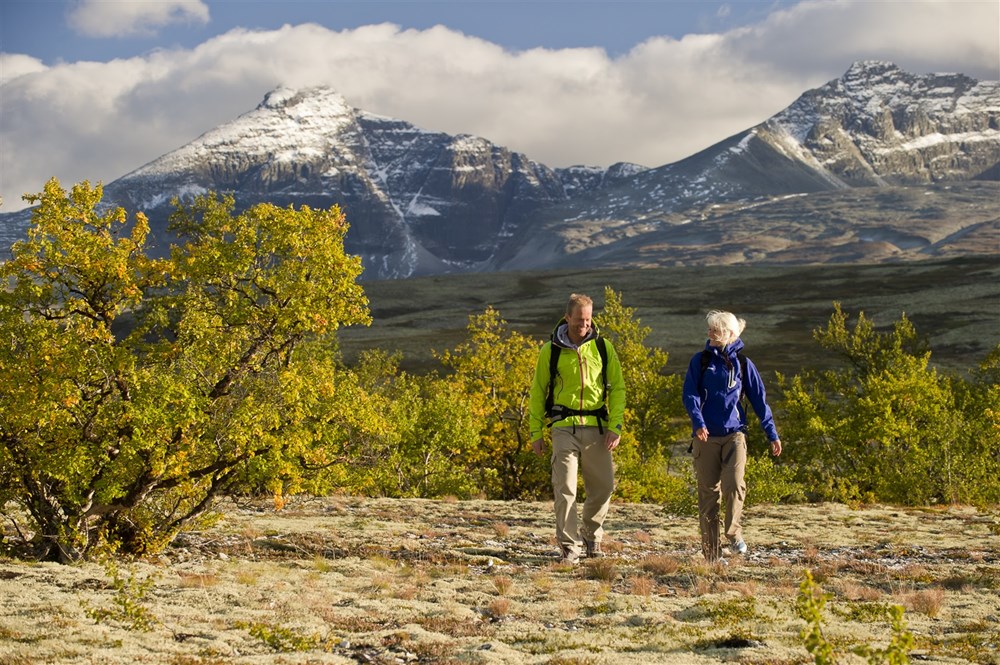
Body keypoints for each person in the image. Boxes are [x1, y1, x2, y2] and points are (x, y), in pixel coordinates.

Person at [529, 293, 626, 565]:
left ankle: (592, 535)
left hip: (597, 427)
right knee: (566, 488)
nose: (584, 324)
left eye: (588, 319)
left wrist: (615, 426)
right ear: (567, 316)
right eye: (579, 319)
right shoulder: (550, 351)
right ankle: (569, 547)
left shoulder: (604, 348)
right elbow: (537, 392)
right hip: (563, 427)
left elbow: (617, 388)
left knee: (604, 487)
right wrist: (536, 432)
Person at [682, 310, 782, 563]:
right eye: (709, 329)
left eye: (715, 329)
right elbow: (690, 395)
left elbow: (759, 401)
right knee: (708, 495)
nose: (709, 333)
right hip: (705, 437)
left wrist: (771, 433)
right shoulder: (700, 361)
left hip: (734, 434)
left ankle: (734, 533)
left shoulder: (744, 364)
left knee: (734, 483)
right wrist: (698, 422)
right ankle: (711, 556)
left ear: (728, 334)